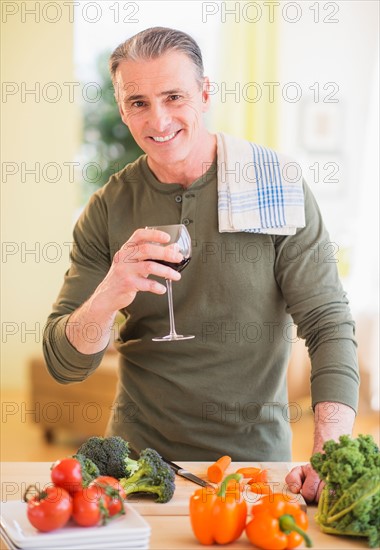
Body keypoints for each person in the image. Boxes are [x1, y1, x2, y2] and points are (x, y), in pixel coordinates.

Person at [43, 27, 359, 502]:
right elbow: (64, 364)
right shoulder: (108, 207)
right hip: (136, 470)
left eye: (174, 96)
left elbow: (328, 322)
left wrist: (328, 446)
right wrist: (107, 296)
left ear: (205, 93)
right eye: (138, 102)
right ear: (122, 107)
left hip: (254, 468)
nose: (159, 119)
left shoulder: (279, 186)